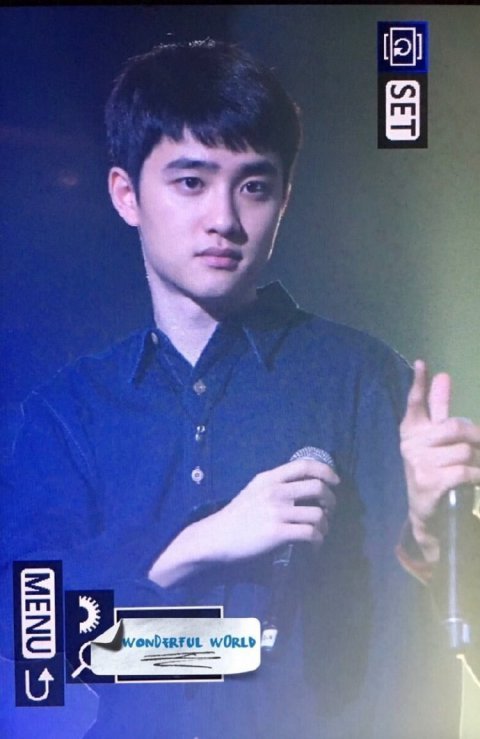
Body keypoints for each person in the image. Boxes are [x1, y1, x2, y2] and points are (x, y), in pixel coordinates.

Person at [4, 39, 480, 738]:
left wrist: (439, 539)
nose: (224, 219)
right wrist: (196, 546)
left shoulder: (361, 379)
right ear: (126, 194)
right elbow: (31, 651)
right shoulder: (70, 413)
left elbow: (453, 646)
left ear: (285, 199)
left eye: (254, 186)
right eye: (191, 182)